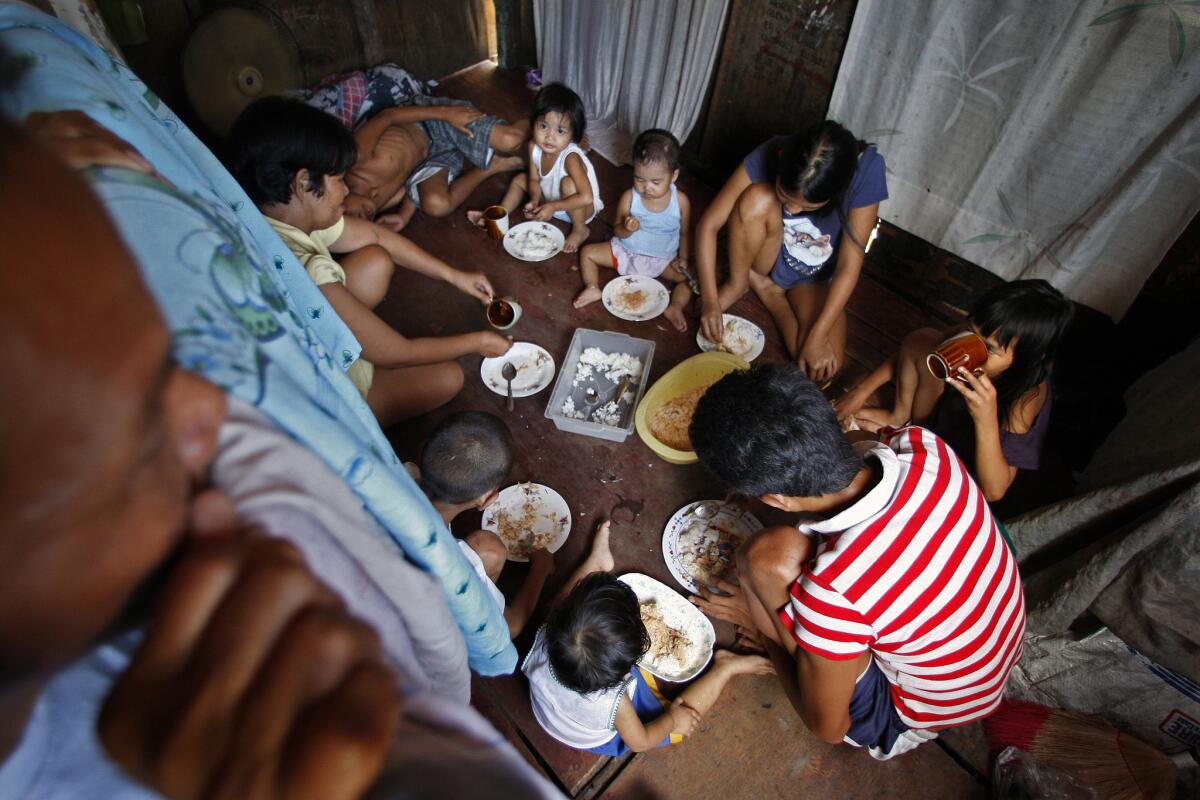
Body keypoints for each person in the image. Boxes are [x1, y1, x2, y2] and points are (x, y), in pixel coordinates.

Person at [0, 111, 562, 800]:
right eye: (133, 416)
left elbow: (359, 234)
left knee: (380, 264)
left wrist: (452, 273)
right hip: (359, 374)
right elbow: (389, 351)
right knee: (430, 364)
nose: (212, 411)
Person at [688, 364, 1025, 760]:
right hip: (991, 651)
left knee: (765, 558)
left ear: (775, 500)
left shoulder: (832, 592)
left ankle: (781, 638)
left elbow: (828, 728)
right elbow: (862, 444)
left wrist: (763, 628)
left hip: (911, 715)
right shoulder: (923, 445)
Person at [227, 97, 513, 427]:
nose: (347, 190)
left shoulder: (276, 220)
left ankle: (361, 333)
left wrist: (454, 276)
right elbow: (397, 352)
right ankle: (364, 407)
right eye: (337, 179)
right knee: (449, 376)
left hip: (309, 336)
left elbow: (377, 237)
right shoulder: (304, 271)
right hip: (329, 393)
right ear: (304, 183)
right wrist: (477, 342)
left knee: (375, 258)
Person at [522, 521, 771, 755]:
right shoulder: (614, 703)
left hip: (548, 708)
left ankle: (596, 563)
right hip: (589, 735)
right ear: (626, 666)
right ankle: (726, 668)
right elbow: (640, 741)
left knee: (556, 611)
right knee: (675, 722)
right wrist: (673, 720)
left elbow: (564, 613)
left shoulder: (547, 633)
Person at [834, 280, 1074, 502]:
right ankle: (902, 420)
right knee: (925, 339)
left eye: (989, 350)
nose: (971, 346)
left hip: (965, 464)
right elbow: (915, 347)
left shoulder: (1026, 396)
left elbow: (994, 490)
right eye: (971, 331)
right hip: (944, 418)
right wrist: (861, 391)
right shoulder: (984, 332)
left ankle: (917, 443)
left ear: (1027, 357)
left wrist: (986, 417)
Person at [694, 121, 887, 382]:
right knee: (757, 198)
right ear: (782, 157)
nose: (793, 210)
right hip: (767, 255)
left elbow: (848, 266)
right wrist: (709, 299)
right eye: (785, 197)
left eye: (807, 207)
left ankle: (772, 296)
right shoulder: (773, 150)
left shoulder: (867, 171)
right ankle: (741, 281)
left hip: (812, 277)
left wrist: (817, 337)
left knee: (820, 369)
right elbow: (709, 224)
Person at [409, 411, 555, 638]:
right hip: (422, 619)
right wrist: (540, 569)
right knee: (491, 549)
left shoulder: (404, 474)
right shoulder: (457, 566)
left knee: (488, 546)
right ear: (486, 499)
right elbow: (512, 627)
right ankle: (481, 605)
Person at [341, 92, 527, 231]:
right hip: (434, 155)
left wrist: (446, 113)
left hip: (433, 121)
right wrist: (403, 216)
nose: (361, 217)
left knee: (511, 139)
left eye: (348, 214)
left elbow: (388, 115)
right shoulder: (377, 204)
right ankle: (491, 167)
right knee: (437, 204)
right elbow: (411, 182)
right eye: (360, 223)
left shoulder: (356, 158)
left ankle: (541, 123)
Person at [573, 129, 693, 332]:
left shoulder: (680, 201)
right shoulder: (630, 197)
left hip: (662, 259)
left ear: (674, 176)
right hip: (626, 252)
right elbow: (618, 231)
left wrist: (683, 257)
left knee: (689, 281)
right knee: (587, 253)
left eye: (656, 182)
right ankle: (592, 287)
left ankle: (675, 307)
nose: (647, 188)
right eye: (639, 179)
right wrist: (626, 229)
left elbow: (685, 232)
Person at [468, 82, 603, 253]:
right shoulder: (534, 146)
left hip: (580, 209)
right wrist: (534, 199)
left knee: (568, 184)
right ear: (533, 124)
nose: (549, 136)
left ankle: (580, 230)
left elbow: (586, 197)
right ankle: (499, 219)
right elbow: (533, 179)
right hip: (553, 200)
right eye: (544, 126)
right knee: (519, 180)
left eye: (560, 131)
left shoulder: (571, 158)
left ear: (572, 136)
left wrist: (552, 207)